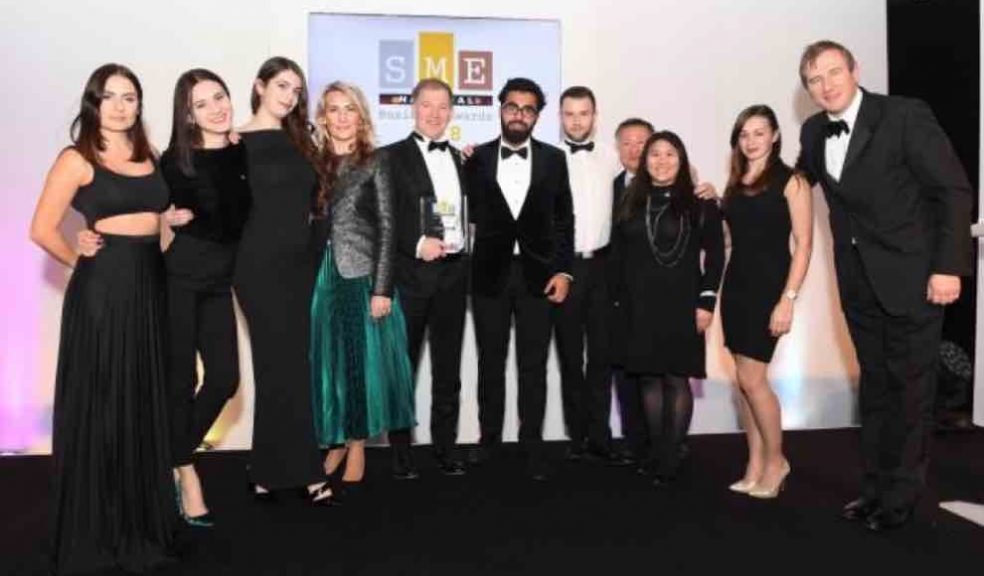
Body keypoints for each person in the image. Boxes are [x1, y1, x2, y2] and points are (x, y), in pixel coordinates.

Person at [795, 40, 972, 530]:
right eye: (814, 79)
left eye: (834, 72)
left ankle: (900, 498)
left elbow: (952, 190)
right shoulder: (813, 132)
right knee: (874, 388)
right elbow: (793, 182)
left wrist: (948, 267)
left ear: (855, 69)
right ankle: (873, 489)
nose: (826, 85)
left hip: (915, 278)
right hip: (857, 283)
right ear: (807, 88)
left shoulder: (903, 116)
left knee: (911, 393)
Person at [30, 63, 177, 574]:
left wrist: (171, 229)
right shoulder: (77, 159)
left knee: (140, 402)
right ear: (94, 103)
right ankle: (99, 530)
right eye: (110, 97)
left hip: (149, 287)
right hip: (103, 291)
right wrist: (78, 253)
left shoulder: (149, 156)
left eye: (130, 97)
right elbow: (42, 228)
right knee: (106, 402)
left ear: (139, 104)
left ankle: (140, 524)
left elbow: (158, 226)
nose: (120, 106)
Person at [310, 81, 416, 495]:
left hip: (361, 276)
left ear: (361, 116)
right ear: (323, 116)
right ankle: (335, 439)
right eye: (333, 109)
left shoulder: (376, 161)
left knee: (358, 365)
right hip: (319, 278)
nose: (341, 117)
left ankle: (357, 444)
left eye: (349, 109)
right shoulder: (312, 162)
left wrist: (383, 289)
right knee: (327, 365)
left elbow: (390, 228)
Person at [466, 77, 574, 481]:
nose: (519, 115)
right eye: (513, 107)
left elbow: (565, 220)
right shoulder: (475, 159)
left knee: (533, 366)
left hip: (538, 277)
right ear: (500, 109)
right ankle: (488, 441)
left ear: (537, 116)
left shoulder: (553, 159)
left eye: (528, 109)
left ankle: (532, 445)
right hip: (489, 275)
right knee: (489, 363)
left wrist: (563, 270)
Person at [235, 57, 332, 504]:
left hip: (301, 265)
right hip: (257, 266)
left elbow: (318, 201)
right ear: (259, 86)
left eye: (296, 90)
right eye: (281, 85)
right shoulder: (237, 141)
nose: (289, 96)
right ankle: (306, 471)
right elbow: (218, 202)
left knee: (293, 366)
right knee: (277, 366)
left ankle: (266, 471)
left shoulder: (302, 141)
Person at [609, 131, 724, 487]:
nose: (661, 161)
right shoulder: (630, 199)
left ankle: (672, 455)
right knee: (648, 379)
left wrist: (706, 301)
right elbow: (619, 254)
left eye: (670, 154)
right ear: (644, 161)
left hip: (683, 303)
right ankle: (658, 452)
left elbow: (716, 255)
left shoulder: (701, 202)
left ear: (682, 159)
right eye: (654, 154)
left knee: (676, 379)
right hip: (638, 305)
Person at [719, 105, 813, 499]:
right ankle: (755, 463)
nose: (752, 140)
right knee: (744, 381)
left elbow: (804, 244)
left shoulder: (793, 181)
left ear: (775, 135)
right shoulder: (736, 181)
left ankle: (777, 462)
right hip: (736, 285)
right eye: (745, 134)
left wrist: (787, 299)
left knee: (754, 380)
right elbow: (728, 238)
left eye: (760, 132)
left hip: (769, 288)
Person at [384, 78, 469, 478]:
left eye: (442, 107)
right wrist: (417, 243)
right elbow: (383, 219)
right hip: (410, 279)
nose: (434, 114)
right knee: (403, 369)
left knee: (448, 370)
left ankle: (446, 447)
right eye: (426, 106)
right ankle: (401, 453)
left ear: (451, 112)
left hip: (454, 279)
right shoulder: (389, 158)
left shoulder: (462, 159)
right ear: (413, 109)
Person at [552, 86, 629, 465]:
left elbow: (655, 169)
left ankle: (601, 436)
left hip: (601, 267)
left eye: (584, 114)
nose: (577, 120)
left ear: (595, 117)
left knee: (601, 356)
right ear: (560, 117)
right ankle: (577, 436)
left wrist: (701, 183)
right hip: (564, 269)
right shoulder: (547, 159)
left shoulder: (612, 159)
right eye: (569, 114)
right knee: (569, 356)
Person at [610, 118, 655, 464]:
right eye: (626, 142)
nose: (634, 150)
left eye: (641, 142)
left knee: (660, 372)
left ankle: (666, 442)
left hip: (659, 296)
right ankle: (633, 440)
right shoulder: (608, 187)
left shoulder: (671, 185)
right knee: (624, 371)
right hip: (619, 296)